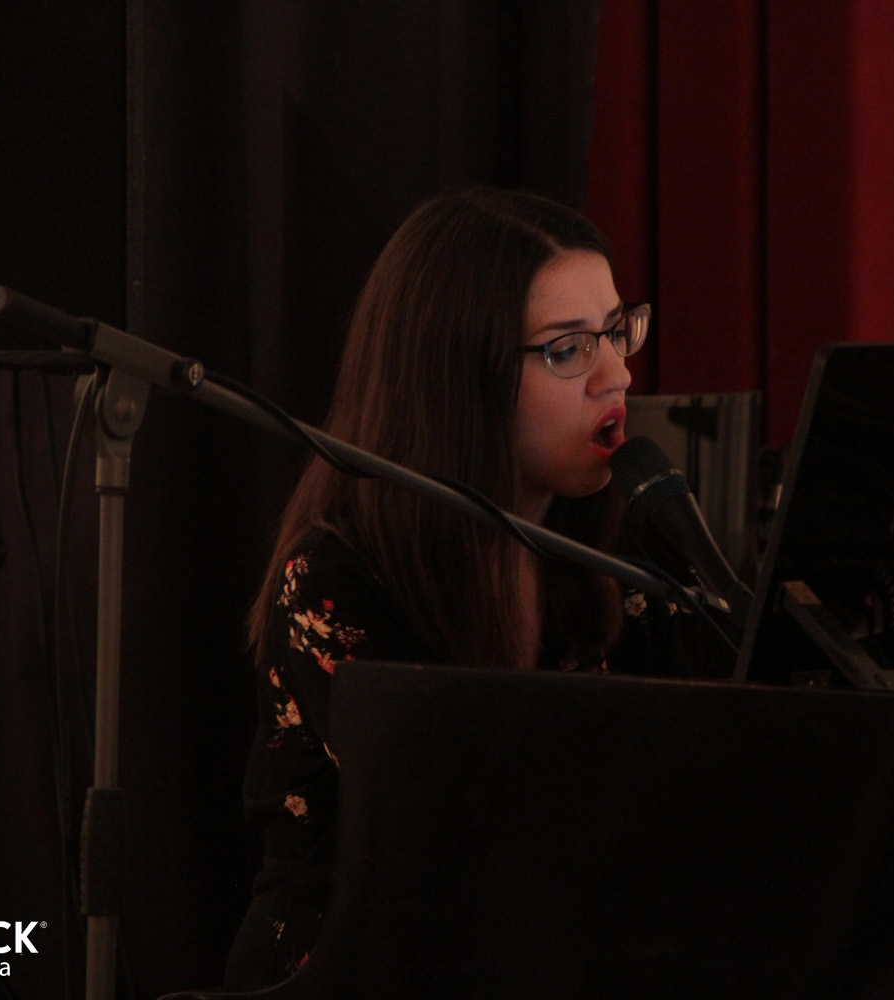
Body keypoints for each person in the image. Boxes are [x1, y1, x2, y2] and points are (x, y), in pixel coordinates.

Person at [225, 187, 676, 988]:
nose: (618, 373)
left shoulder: (608, 545)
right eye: (569, 350)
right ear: (460, 377)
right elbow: (468, 838)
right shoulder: (337, 581)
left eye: (616, 331)